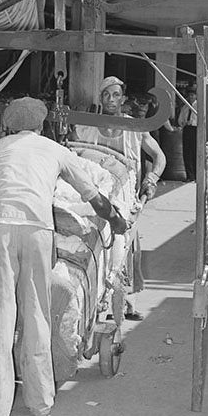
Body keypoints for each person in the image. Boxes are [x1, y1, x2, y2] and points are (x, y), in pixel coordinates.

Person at [0, 97, 127, 416]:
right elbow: (93, 196)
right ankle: (40, 402)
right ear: (42, 124)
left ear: (8, 125)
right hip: (38, 231)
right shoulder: (55, 150)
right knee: (37, 313)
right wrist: (116, 220)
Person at [73, 75, 167, 320]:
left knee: (124, 246)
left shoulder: (134, 128)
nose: (111, 99)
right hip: (97, 194)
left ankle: (125, 302)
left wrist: (152, 178)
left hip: (124, 196)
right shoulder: (88, 126)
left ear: (123, 98)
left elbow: (159, 157)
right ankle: (97, 301)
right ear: (100, 98)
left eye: (116, 94)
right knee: (97, 244)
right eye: (106, 95)